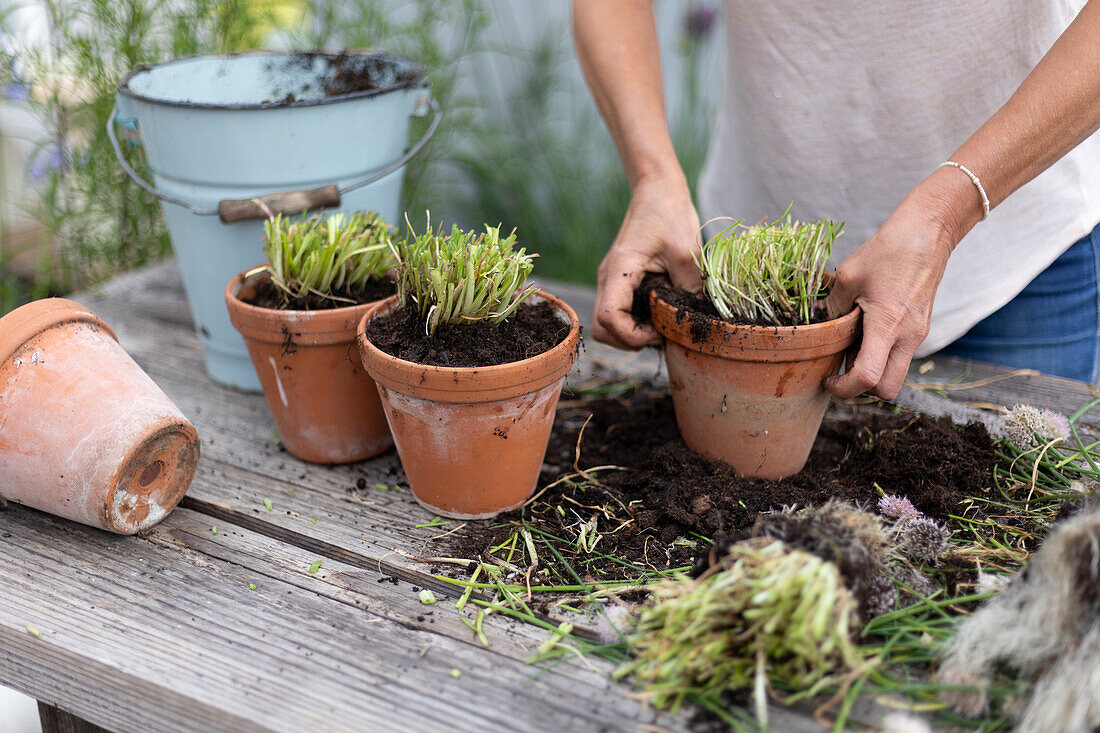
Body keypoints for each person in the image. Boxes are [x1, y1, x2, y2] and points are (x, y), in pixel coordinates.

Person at [572, 0, 1100, 399]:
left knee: (1014, 524)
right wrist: (653, 177)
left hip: (1010, 261)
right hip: (740, 261)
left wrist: (946, 213)